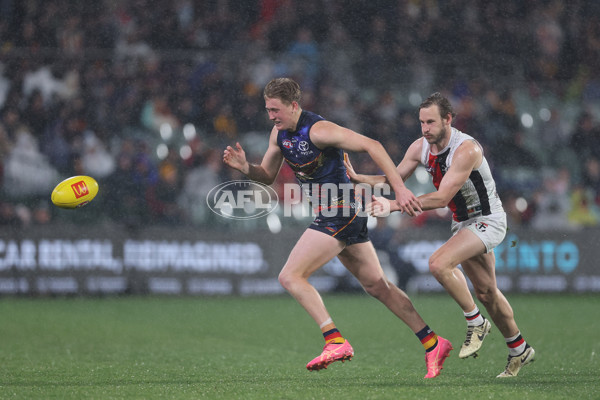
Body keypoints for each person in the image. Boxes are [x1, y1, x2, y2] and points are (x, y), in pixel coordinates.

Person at [223, 78, 452, 378]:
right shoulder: (279, 134)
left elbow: (373, 145)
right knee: (377, 286)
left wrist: (399, 189)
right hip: (340, 214)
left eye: (275, 110)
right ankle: (433, 342)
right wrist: (246, 169)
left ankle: (334, 339)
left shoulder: (319, 130)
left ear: (293, 106)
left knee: (290, 276)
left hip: (339, 212)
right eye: (268, 110)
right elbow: (266, 175)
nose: (271, 116)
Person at [345, 92, 535, 378]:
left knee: (438, 263)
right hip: (463, 224)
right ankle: (519, 348)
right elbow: (393, 179)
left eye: (431, 122)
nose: (425, 128)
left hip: (488, 220)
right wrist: (362, 178)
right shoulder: (420, 147)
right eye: (421, 122)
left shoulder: (466, 149)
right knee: (487, 293)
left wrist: (394, 206)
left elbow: (443, 197)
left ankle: (475, 322)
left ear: (448, 119)